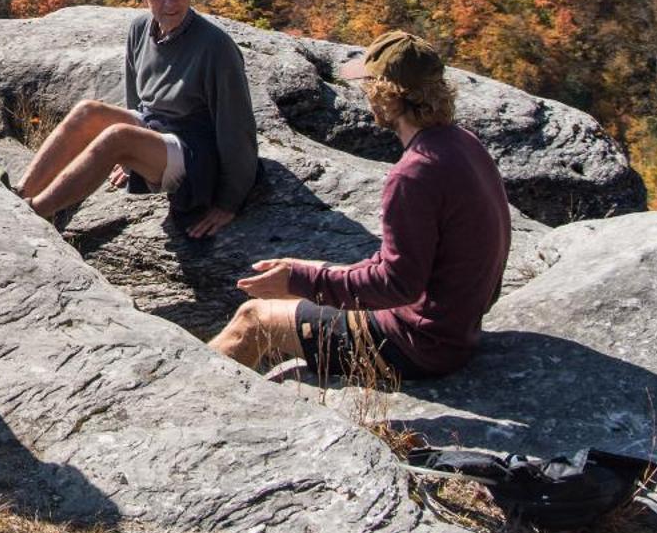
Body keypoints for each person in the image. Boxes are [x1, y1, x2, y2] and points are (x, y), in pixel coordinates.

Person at [209, 30, 511, 382]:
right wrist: (306, 272)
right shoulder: (464, 143)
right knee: (303, 280)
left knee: (254, 319)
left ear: (388, 94)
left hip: (416, 344)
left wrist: (300, 281)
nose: (366, 95)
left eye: (370, 85)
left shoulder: (414, 174)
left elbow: (398, 286)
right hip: (453, 327)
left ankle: (197, 407)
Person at [15, 0, 258, 238]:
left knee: (118, 136)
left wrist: (229, 202)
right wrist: (134, 159)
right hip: (157, 131)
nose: (170, 2)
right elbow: (136, 101)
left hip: (196, 153)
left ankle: (34, 213)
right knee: (87, 112)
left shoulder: (215, 47)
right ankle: (18, 195)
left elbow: (237, 128)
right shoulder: (141, 28)